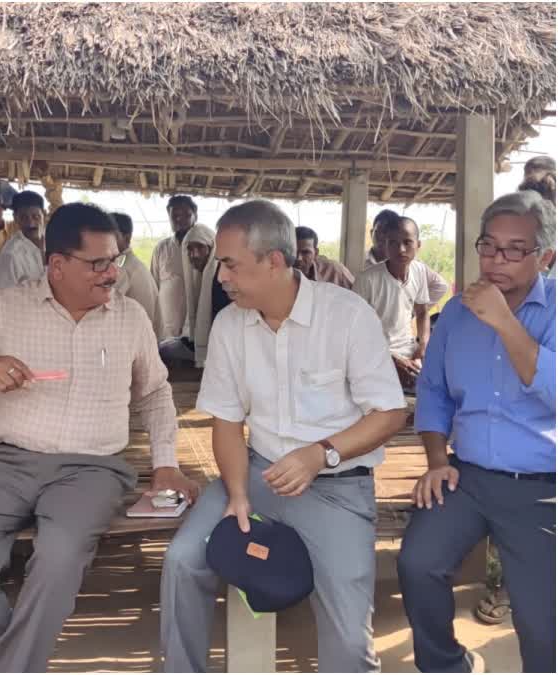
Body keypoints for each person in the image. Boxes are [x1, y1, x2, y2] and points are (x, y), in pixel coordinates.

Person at [159, 199, 408, 673]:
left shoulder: (347, 316)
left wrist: (322, 454)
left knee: (349, 640)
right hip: (255, 474)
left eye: (230, 264)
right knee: (183, 559)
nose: (223, 277)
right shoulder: (231, 324)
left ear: (274, 261)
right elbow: (227, 423)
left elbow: (390, 413)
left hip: (336, 488)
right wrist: (235, 494)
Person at [0, 202, 190, 673]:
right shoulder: (8, 308)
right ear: (58, 265)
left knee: (60, 556)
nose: (112, 274)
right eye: (98, 263)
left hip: (91, 469)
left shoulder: (130, 318)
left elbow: (156, 393)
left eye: (116, 260)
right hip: (7, 461)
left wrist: (166, 461)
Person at [397, 190, 555, 674]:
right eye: (488, 246)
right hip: (465, 477)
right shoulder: (458, 314)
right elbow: (435, 391)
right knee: (418, 562)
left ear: (545, 257)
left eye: (514, 249)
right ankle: (446, 665)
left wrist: (505, 322)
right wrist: (437, 462)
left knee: (542, 620)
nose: (496, 260)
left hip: (541, 486)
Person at [353, 216, 431, 391]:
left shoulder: (419, 271)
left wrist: (423, 346)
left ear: (418, 245)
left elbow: (422, 312)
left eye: (407, 242)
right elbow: (355, 333)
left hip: (409, 352)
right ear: (385, 246)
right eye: (393, 243)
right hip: (376, 356)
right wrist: (393, 360)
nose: (401, 249)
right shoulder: (367, 280)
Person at [159, 224, 230, 368]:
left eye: (200, 248)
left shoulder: (219, 279)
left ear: (211, 249)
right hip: (198, 342)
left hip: (219, 349)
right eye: (190, 249)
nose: (194, 254)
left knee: (162, 351)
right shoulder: (201, 277)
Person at [366, 210, 450, 306]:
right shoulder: (359, 262)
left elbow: (440, 286)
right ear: (371, 233)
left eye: (386, 233)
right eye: (378, 232)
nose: (382, 237)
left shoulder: (412, 264)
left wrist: (413, 311)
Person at [149, 195, 198, 340]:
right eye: (174, 216)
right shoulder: (161, 249)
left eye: (186, 215)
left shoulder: (206, 248)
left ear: (195, 215)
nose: (179, 220)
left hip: (197, 329)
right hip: (167, 329)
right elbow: (154, 287)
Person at [110, 212, 160, 335]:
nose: (105, 240)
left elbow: (103, 307)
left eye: (111, 236)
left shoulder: (122, 268)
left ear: (126, 238)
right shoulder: (132, 263)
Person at [0, 190, 46, 289]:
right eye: (23, 218)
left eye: (36, 217)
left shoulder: (57, 243)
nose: (31, 223)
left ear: (44, 214)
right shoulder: (10, 255)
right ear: (15, 218)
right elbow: (4, 298)